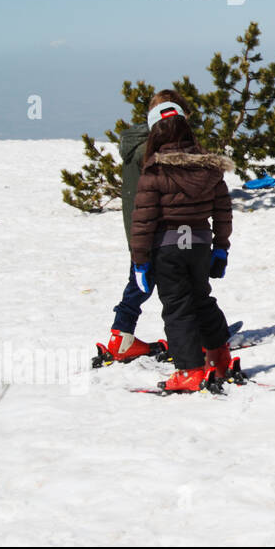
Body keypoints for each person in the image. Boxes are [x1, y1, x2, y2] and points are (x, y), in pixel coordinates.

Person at [129, 100, 234, 392]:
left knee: (177, 308)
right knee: (201, 299)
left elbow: (143, 221)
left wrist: (140, 260)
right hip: (199, 244)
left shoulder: (155, 172)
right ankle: (219, 356)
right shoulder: (211, 169)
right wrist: (221, 247)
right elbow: (223, 212)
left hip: (168, 247)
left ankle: (189, 370)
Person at [97, 89, 190, 364]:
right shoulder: (153, 149)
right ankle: (190, 336)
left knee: (141, 283)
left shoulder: (136, 142)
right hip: (158, 231)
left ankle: (121, 334)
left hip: (138, 229)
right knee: (177, 286)